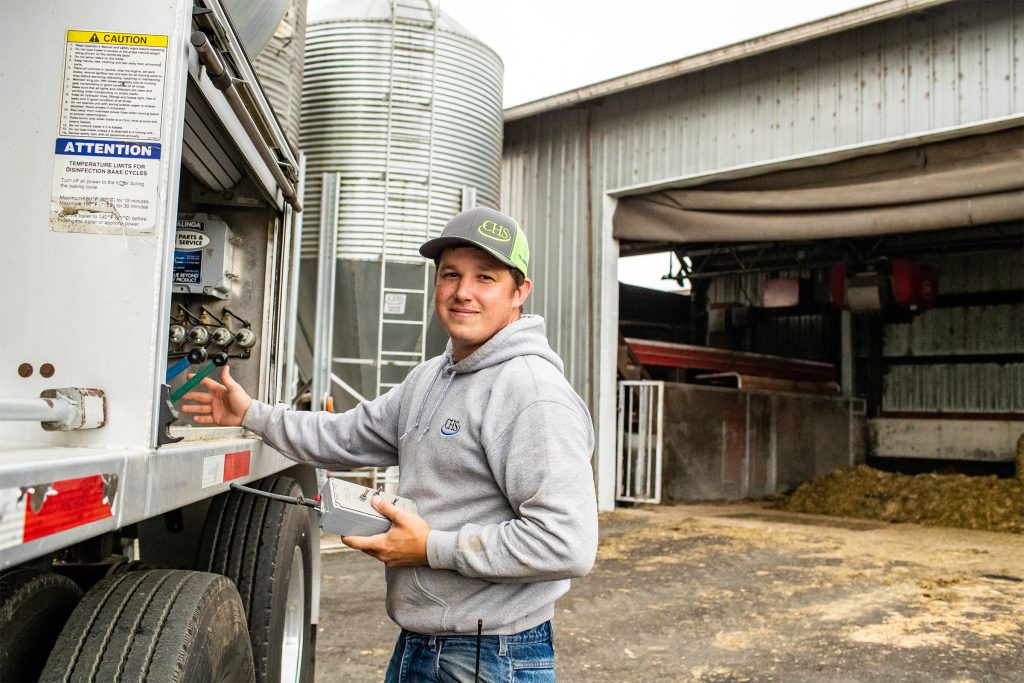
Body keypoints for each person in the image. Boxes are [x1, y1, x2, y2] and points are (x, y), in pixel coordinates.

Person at [182, 206, 599, 682]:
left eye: (485, 277)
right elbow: (344, 435)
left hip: (492, 654)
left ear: (519, 292)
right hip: (422, 644)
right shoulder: (430, 379)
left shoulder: (531, 392)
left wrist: (431, 547)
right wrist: (252, 414)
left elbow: (568, 543)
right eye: (451, 275)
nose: (463, 292)